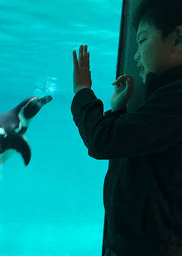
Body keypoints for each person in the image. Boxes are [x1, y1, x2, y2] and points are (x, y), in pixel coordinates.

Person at [71, 0, 182, 255]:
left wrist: (82, 93)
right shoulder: (165, 100)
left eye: (142, 40)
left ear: (177, 38)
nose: (135, 54)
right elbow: (129, 144)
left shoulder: (176, 100)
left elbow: (102, 141)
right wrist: (118, 110)